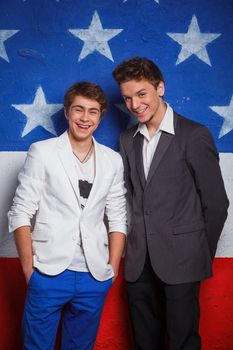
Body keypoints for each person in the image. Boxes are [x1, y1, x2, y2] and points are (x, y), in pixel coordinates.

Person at [112, 57, 229, 350]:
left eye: (141, 94)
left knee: (182, 341)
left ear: (160, 88)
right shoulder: (126, 140)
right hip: (139, 262)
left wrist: (199, 253)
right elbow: (129, 198)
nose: (135, 104)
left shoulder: (193, 134)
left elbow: (216, 203)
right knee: (144, 342)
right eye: (127, 98)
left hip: (183, 260)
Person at [8, 81, 127, 350]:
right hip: (48, 272)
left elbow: (118, 216)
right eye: (79, 110)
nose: (85, 118)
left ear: (101, 116)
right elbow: (20, 212)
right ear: (66, 112)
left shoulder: (112, 160)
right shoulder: (43, 152)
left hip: (94, 275)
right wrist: (30, 269)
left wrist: (112, 268)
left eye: (93, 111)